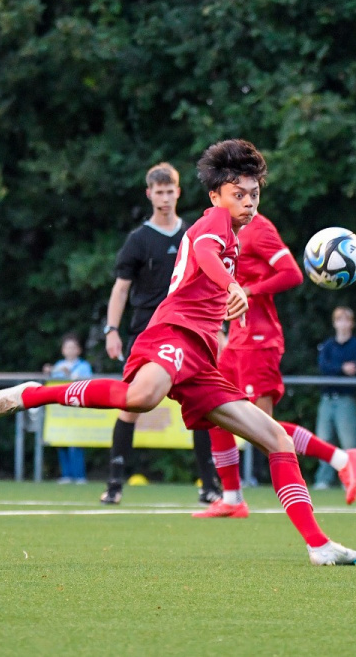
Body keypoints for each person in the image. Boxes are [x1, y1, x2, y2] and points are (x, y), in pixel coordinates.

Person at [0, 139, 356, 565]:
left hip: (201, 356)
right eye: (239, 194)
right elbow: (202, 252)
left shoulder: (235, 232)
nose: (249, 202)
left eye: (254, 194)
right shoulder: (214, 220)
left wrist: (224, 310)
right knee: (142, 397)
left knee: (276, 437)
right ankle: (32, 394)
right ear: (216, 195)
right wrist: (232, 286)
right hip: (173, 332)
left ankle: (318, 545)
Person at [196, 210, 356, 518]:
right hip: (236, 339)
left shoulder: (260, 229)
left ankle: (341, 459)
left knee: (262, 429)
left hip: (260, 341)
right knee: (213, 410)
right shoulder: (224, 230)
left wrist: (249, 290)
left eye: (250, 192)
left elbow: (292, 273)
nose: (245, 198)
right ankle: (232, 497)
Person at [100, 162, 217, 505]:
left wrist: (217, 328)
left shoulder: (193, 234)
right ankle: (115, 483)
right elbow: (121, 290)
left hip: (185, 330)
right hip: (146, 332)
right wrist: (111, 330)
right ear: (149, 194)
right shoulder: (138, 240)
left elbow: (207, 284)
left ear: (178, 192)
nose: (165, 198)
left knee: (203, 405)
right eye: (159, 192)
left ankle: (210, 485)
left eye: (170, 191)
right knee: (131, 403)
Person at [313, 307, 356, 489]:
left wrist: (336, 367)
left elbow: (354, 368)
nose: (343, 324)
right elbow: (323, 368)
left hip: (345, 398)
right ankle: (324, 479)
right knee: (323, 440)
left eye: (346, 320)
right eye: (339, 320)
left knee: (349, 441)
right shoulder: (327, 345)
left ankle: (351, 478)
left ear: (351, 323)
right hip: (327, 398)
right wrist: (341, 368)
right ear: (334, 323)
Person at [44, 333, 93, 484]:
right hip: (61, 412)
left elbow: (87, 384)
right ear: (63, 350)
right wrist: (48, 373)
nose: (70, 350)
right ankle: (66, 475)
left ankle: (79, 476)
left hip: (77, 412)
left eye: (73, 347)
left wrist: (69, 374)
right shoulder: (59, 365)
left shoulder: (84, 366)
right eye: (67, 347)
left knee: (76, 444)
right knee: (62, 443)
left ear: (78, 350)